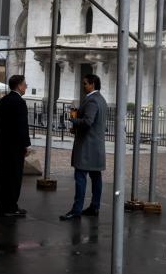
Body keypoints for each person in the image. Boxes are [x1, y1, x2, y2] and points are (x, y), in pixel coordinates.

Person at [60, 74, 107, 221]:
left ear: (92, 84)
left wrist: (73, 120)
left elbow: (87, 122)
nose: (83, 86)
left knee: (81, 177)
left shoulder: (92, 100)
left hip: (87, 147)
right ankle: (94, 206)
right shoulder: (101, 99)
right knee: (96, 177)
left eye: (85, 84)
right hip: (96, 146)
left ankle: (77, 210)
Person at [0, 75, 31, 217]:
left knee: (3, 176)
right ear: (19, 86)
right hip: (15, 147)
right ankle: (11, 206)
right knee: (14, 177)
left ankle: (1, 205)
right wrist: (26, 145)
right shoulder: (19, 102)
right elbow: (22, 126)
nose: (26, 86)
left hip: (3, 145)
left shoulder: (3, 101)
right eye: (24, 84)